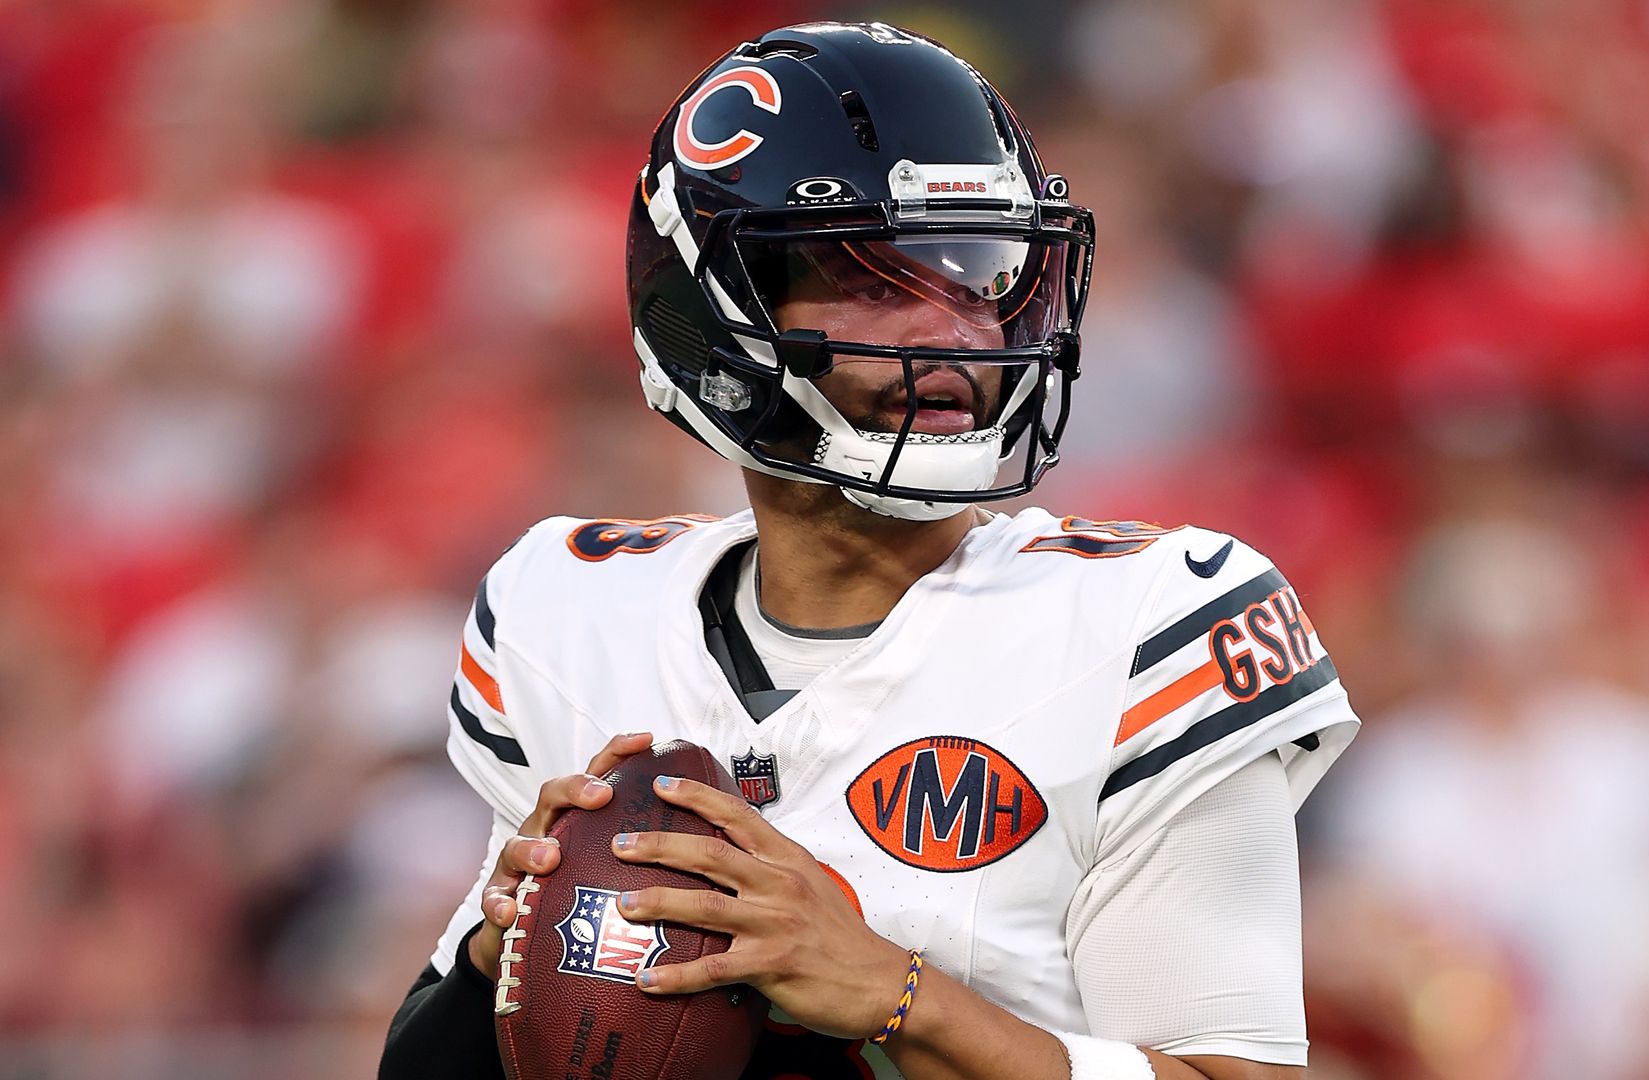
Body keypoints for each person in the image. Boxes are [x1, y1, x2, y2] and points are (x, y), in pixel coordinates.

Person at [380, 21, 1359, 1080]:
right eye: (876, 282)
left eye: (982, 275)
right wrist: (500, 951)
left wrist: (899, 999)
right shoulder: (568, 610)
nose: (962, 333)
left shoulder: (1152, 628)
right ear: (717, 312)